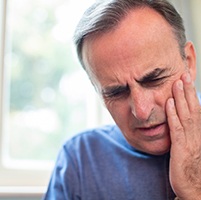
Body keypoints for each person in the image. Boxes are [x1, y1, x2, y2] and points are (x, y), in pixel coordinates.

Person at [43, 0, 201, 199]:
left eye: (154, 79)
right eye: (116, 92)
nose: (142, 111)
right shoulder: (79, 161)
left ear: (189, 62)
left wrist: (194, 188)